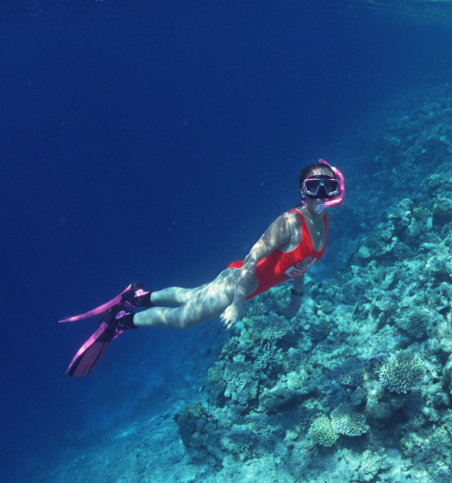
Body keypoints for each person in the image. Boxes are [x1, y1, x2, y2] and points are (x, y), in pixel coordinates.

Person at [61, 159, 345, 376]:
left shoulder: (325, 221)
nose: (320, 195)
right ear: (301, 191)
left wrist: (298, 294)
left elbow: (301, 262)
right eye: (313, 187)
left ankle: (138, 297)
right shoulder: (288, 222)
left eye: (327, 187)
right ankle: (120, 320)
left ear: (336, 190)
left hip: (238, 282)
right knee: (183, 319)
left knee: (188, 296)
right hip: (238, 285)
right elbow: (251, 258)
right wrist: (236, 304)